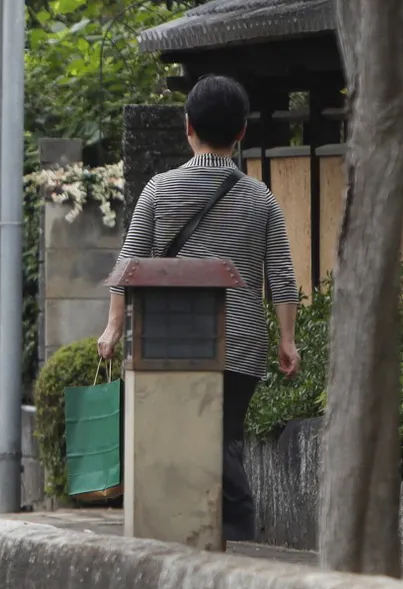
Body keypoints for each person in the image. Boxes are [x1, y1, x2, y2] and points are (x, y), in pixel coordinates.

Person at [97, 74, 300, 543]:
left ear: (187, 126)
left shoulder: (159, 190)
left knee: (182, 443)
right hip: (242, 343)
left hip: (170, 342)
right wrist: (287, 341)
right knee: (223, 437)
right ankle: (227, 537)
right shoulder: (261, 199)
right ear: (241, 133)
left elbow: (129, 265)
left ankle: (216, 534)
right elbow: (282, 276)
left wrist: (113, 328)